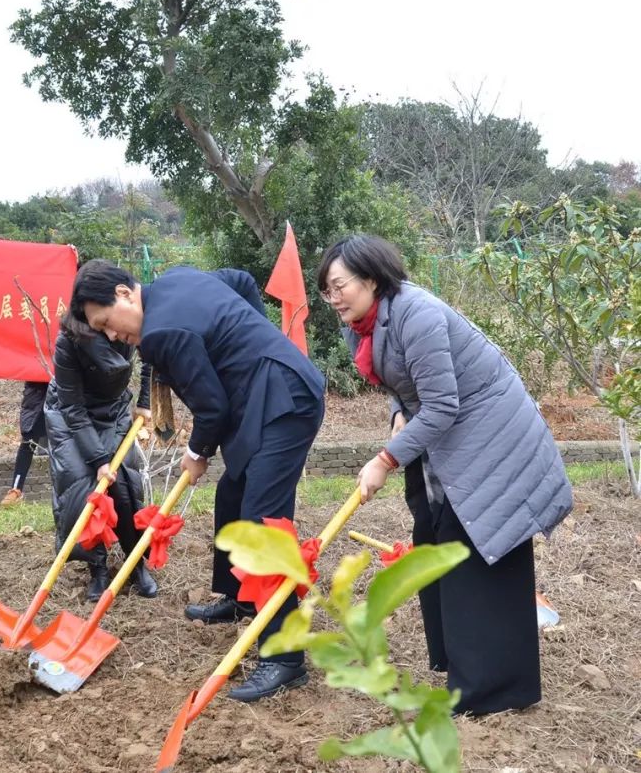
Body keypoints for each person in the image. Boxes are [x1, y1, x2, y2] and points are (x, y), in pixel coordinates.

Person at [316, 234, 573, 716]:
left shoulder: (418, 313)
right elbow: (405, 383)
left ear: (371, 279)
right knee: (433, 536)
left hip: (491, 433)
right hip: (448, 435)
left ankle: (491, 689)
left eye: (339, 286)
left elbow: (443, 404)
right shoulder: (364, 323)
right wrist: (397, 412)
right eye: (326, 290)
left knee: (475, 543)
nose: (333, 299)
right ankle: (457, 663)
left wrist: (385, 459)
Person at [70, 260, 325, 701]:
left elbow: (212, 410)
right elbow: (242, 280)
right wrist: (255, 342)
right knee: (232, 496)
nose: (113, 336)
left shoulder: (161, 335)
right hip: (263, 394)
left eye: (107, 322)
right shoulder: (176, 278)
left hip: (285, 399)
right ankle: (241, 599)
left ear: (125, 294)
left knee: (264, 521)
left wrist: (196, 454)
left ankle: (286, 657)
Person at [45, 314, 156, 601]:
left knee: (124, 483)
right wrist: (97, 460)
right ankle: (97, 567)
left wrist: (144, 402)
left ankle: (135, 563)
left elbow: (151, 355)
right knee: (80, 485)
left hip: (114, 408)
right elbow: (72, 408)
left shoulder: (127, 319)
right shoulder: (68, 340)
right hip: (70, 413)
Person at [0, 381, 48, 506]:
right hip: (37, 390)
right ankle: (16, 490)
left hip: (66, 384)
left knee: (67, 441)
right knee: (28, 442)